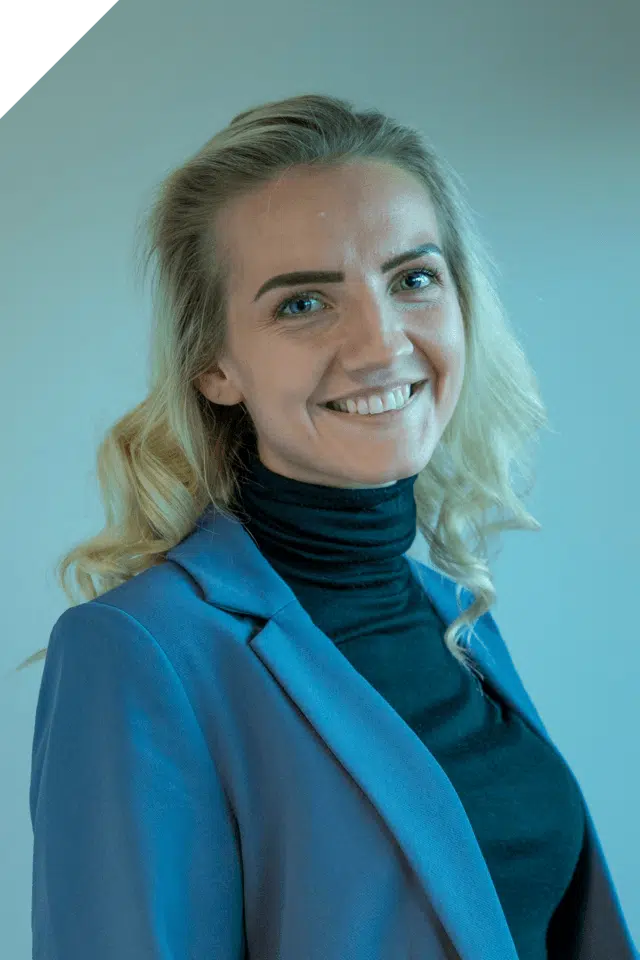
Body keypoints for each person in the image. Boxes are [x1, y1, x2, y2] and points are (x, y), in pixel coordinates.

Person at [22, 93, 637, 959]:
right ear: (214, 366)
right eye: (304, 303)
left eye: (413, 279)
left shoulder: (455, 613)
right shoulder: (140, 652)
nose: (381, 345)